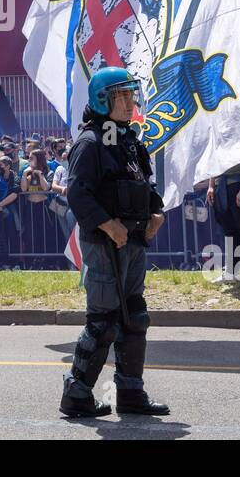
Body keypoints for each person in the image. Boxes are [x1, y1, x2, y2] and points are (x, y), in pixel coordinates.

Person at [60, 66, 167, 418]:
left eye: (129, 94)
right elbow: (77, 193)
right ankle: (76, 394)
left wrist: (156, 211)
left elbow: (143, 183)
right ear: (102, 99)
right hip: (106, 244)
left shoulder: (128, 139)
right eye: (120, 95)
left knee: (134, 317)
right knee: (103, 321)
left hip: (133, 241)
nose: (128, 101)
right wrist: (108, 225)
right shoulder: (91, 142)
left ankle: (131, 394)